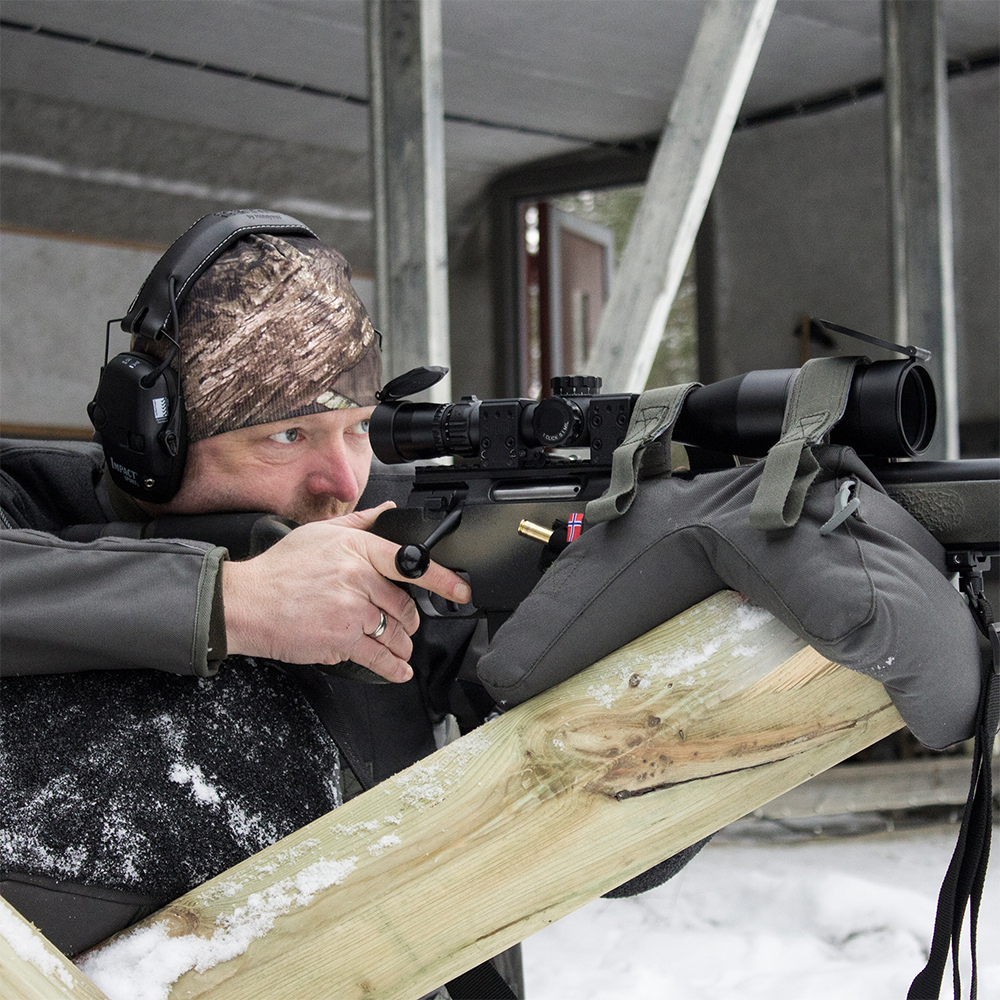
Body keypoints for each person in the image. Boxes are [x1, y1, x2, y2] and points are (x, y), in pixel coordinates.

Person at [0, 214, 521, 992]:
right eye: (288, 436)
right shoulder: (29, 499)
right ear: (154, 438)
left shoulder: (405, 525)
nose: (341, 482)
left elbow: (623, 816)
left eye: (357, 429)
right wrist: (233, 600)